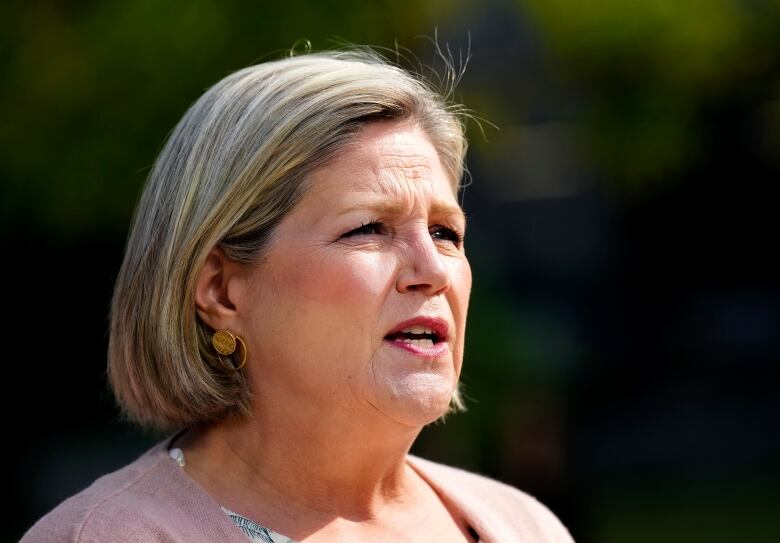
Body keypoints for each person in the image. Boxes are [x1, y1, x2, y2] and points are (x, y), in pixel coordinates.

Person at [22, 49, 573, 542]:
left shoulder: (525, 525)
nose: (432, 271)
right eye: (368, 229)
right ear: (221, 291)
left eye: (446, 233)